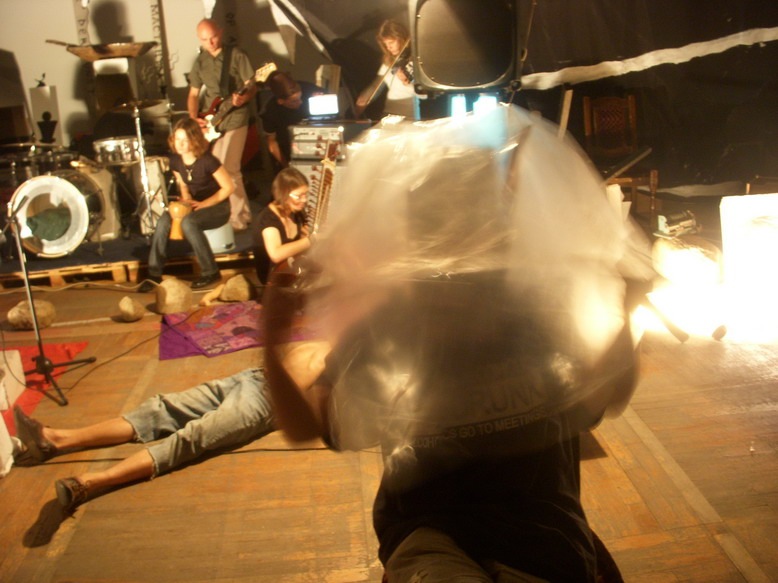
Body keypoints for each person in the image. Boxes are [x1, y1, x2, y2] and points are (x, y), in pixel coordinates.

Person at [262, 106, 653, 581]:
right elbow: (310, 425)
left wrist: (629, 308)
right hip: (431, 536)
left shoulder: (536, 314)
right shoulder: (391, 328)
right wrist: (273, 334)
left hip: (541, 533)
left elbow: (600, 396)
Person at [138, 118, 232, 292]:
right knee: (163, 221)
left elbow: (228, 188)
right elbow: (183, 185)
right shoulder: (175, 161)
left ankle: (211, 271)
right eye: (177, 139)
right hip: (195, 205)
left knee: (189, 222)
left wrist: (204, 204)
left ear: (194, 140)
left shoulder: (208, 160)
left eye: (185, 140)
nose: (180, 144)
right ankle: (154, 274)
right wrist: (186, 201)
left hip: (218, 207)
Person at [187, 18, 255, 231]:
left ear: (221, 32)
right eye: (204, 39)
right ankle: (238, 214)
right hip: (211, 120)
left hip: (235, 116)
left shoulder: (236, 55)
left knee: (230, 168)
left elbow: (252, 85)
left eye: (213, 37)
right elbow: (193, 94)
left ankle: (238, 218)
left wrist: (243, 98)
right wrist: (194, 118)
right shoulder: (200, 62)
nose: (210, 43)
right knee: (218, 170)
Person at [252, 166, 313, 288]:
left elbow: (299, 246)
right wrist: (311, 240)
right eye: (299, 196)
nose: (304, 200)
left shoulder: (298, 213)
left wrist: (305, 235)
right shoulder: (268, 219)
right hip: (274, 279)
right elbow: (276, 254)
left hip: (294, 270)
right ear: (284, 194)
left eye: (306, 195)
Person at [355, 19, 422, 120]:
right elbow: (376, 86)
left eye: (391, 42)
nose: (389, 47)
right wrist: (362, 101)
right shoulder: (388, 62)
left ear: (402, 38)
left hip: (410, 114)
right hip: (389, 114)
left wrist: (408, 81)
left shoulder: (417, 59)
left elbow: (425, 92)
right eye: (386, 44)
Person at [260, 71, 324, 169]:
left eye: (300, 97)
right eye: (294, 101)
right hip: (288, 148)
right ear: (281, 101)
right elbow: (272, 142)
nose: (300, 102)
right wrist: (286, 166)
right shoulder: (270, 111)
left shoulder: (308, 88)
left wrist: (322, 98)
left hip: (317, 142)